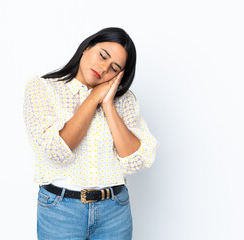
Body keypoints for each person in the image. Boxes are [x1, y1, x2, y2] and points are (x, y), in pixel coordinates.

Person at [23, 27, 160, 240]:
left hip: (115, 209)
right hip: (60, 210)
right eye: (102, 55)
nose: (104, 68)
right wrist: (93, 97)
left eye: (114, 67)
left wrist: (108, 105)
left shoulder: (124, 101)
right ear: (87, 47)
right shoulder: (42, 88)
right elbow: (58, 149)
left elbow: (137, 159)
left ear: (120, 75)